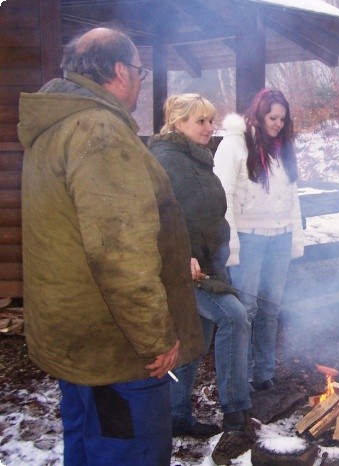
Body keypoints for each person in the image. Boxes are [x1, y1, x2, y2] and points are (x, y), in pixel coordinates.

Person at [17, 27, 204, 465]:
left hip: (75, 337)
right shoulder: (99, 131)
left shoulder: (58, 125)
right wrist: (155, 337)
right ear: (120, 71)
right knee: (128, 452)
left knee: (86, 443)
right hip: (116, 347)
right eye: (138, 71)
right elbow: (121, 251)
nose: (140, 81)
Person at [149, 94, 251, 435]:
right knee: (235, 317)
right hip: (182, 267)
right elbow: (159, 217)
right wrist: (183, 255)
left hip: (208, 262)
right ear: (179, 124)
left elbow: (207, 210)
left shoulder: (196, 156)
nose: (210, 127)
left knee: (196, 336)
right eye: (201, 121)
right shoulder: (166, 159)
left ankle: (175, 416)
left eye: (211, 120)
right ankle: (237, 411)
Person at [214, 89, 304, 393]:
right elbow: (222, 195)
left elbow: (292, 197)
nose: (278, 124)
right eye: (272, 117)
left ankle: (264, 373)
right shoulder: (235, 145)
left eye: (282, 118)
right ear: (259, 114)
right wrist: (232, 243)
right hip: (249, 239)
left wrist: (295, 235)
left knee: (271, 308)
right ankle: (237, 382)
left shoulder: (283, 148)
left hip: (280, 237)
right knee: (246, 310)